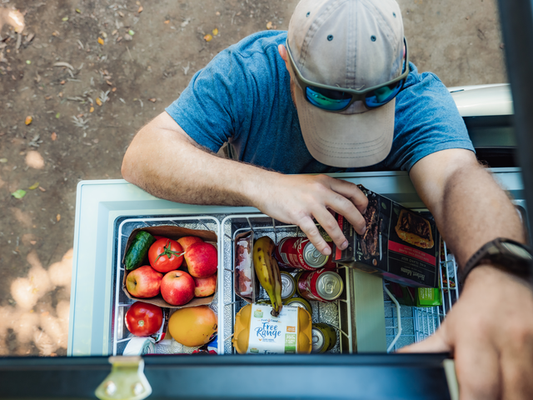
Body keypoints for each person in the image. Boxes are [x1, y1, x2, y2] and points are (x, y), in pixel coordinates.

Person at [122, 0, 533, 398]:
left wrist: (497, 267)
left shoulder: (418, 99)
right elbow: (144, 156)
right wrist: (264, 185)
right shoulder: (248, 73)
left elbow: (457, 179)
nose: (351, 125)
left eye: (377, 98)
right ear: (286, 60)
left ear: (402, 60)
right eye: (325, 99)